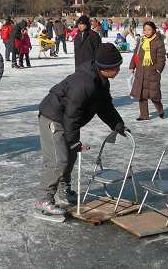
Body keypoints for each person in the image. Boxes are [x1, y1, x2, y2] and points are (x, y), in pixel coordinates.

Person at [35, 43, 127, 215]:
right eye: (117, 66)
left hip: (66, 119)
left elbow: (105, 107)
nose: (119, 69)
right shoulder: (84, 83)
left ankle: (63, 189)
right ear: (105, 67)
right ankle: (44, 198)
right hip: (53, 117)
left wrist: (117, 124)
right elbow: (72, 116)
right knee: (58, 160)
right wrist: (74, 141)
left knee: (69, 156)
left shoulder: (101, 82)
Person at [129, 21, 166, 120]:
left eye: (149, 29)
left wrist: (158, 69)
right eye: (145, 30)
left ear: (154, 30)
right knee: (141, 95)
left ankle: (160, 109)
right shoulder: (141, 41)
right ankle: (144, 115)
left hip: (152, 72)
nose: (146, 32)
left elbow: (161, 58)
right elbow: (135, 55)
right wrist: (132, 66)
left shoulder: (158, 42)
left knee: (154, 95)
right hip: (141, 71)